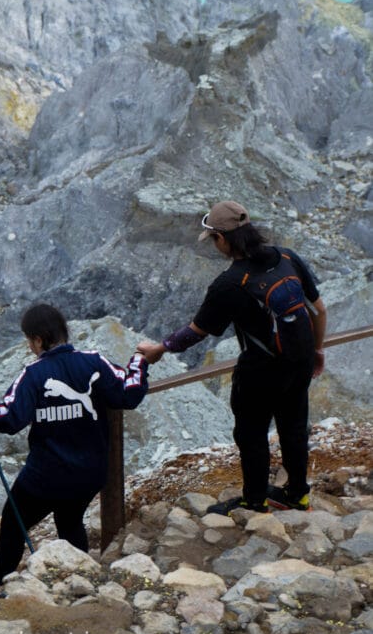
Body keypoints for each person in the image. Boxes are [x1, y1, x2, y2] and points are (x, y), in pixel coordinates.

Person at [137, 200, 327, 515]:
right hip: (300, 361)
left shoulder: (229, 284)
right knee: (294, 427)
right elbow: (319, 309)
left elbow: (196, 332)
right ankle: (297, 495)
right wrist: (317, 351)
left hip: (260, 372)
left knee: (251, 434)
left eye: (213, 239)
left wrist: (159, 349)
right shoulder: (287, 258)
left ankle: (254, 501)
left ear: (223, 239)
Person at [0, 303, 161, 592]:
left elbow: (8, 417)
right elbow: (128, 393)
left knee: (14, 522)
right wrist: (140, 359)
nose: (29, 347)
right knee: (70, 519)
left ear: (39, 339)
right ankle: (83, 581)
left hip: (45, 476)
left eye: (29, 340)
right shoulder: (93, 361)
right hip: (90, 472)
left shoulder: (33, 374)